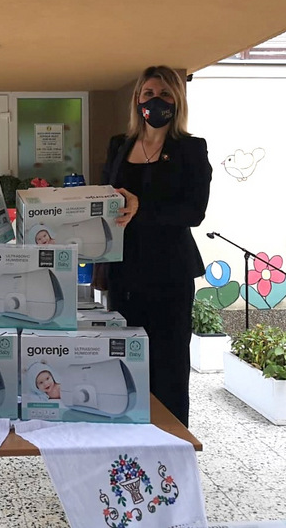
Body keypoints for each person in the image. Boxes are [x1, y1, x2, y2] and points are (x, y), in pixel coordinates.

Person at [93, 65, 212, 427]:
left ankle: (172, 439)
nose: (155, 101)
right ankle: (128, 438)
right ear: (137, 100)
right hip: (124, 273)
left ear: (177, 100)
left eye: (164, 94)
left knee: (169, 365)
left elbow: (194, 212)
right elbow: (105, 199)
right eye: (148, 94)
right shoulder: (119, 145)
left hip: (170, 275)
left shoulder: (190, 149)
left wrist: (141, 207)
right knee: (125, 363)